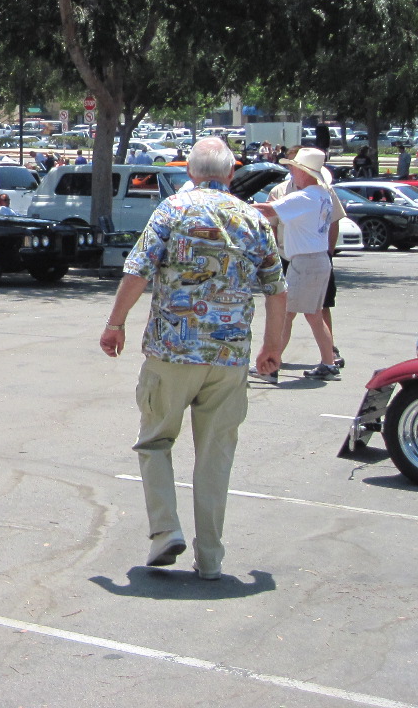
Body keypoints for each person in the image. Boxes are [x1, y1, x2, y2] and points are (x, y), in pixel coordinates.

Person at [98, 137, 287, 581]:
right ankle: (211, 558)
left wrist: (115, 323)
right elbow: (277, 289)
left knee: (154, 441)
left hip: (172, 351)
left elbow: (138, 270)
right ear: (231, 173)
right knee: (215, 457)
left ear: (190, 172)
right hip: (229, 357)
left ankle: (165, 531)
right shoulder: (252, 219)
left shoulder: (172, 210)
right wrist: (272, 347)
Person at [253, 148, 340, 380]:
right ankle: (328, 363)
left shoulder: (305, 197)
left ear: (304, 172)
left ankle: (270, 365)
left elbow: (268, 210)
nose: (291, 172)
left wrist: (236, 206)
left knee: (285, 314)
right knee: (313, 315)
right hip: (318, 259)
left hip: (305, 262)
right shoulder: (322, 194)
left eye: (294, 168)